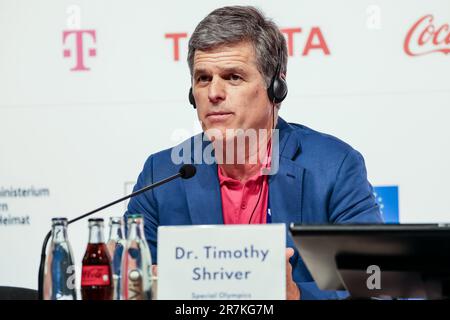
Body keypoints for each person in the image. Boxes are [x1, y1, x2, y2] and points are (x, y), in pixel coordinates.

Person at [126, 6, 383, 300]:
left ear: (276, 87)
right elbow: (127, 279)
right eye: (203, 78)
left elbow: (374, 283)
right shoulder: (162, 174)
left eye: (233, 77)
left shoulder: (333, 167)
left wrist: (297, 296)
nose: (214, 93)